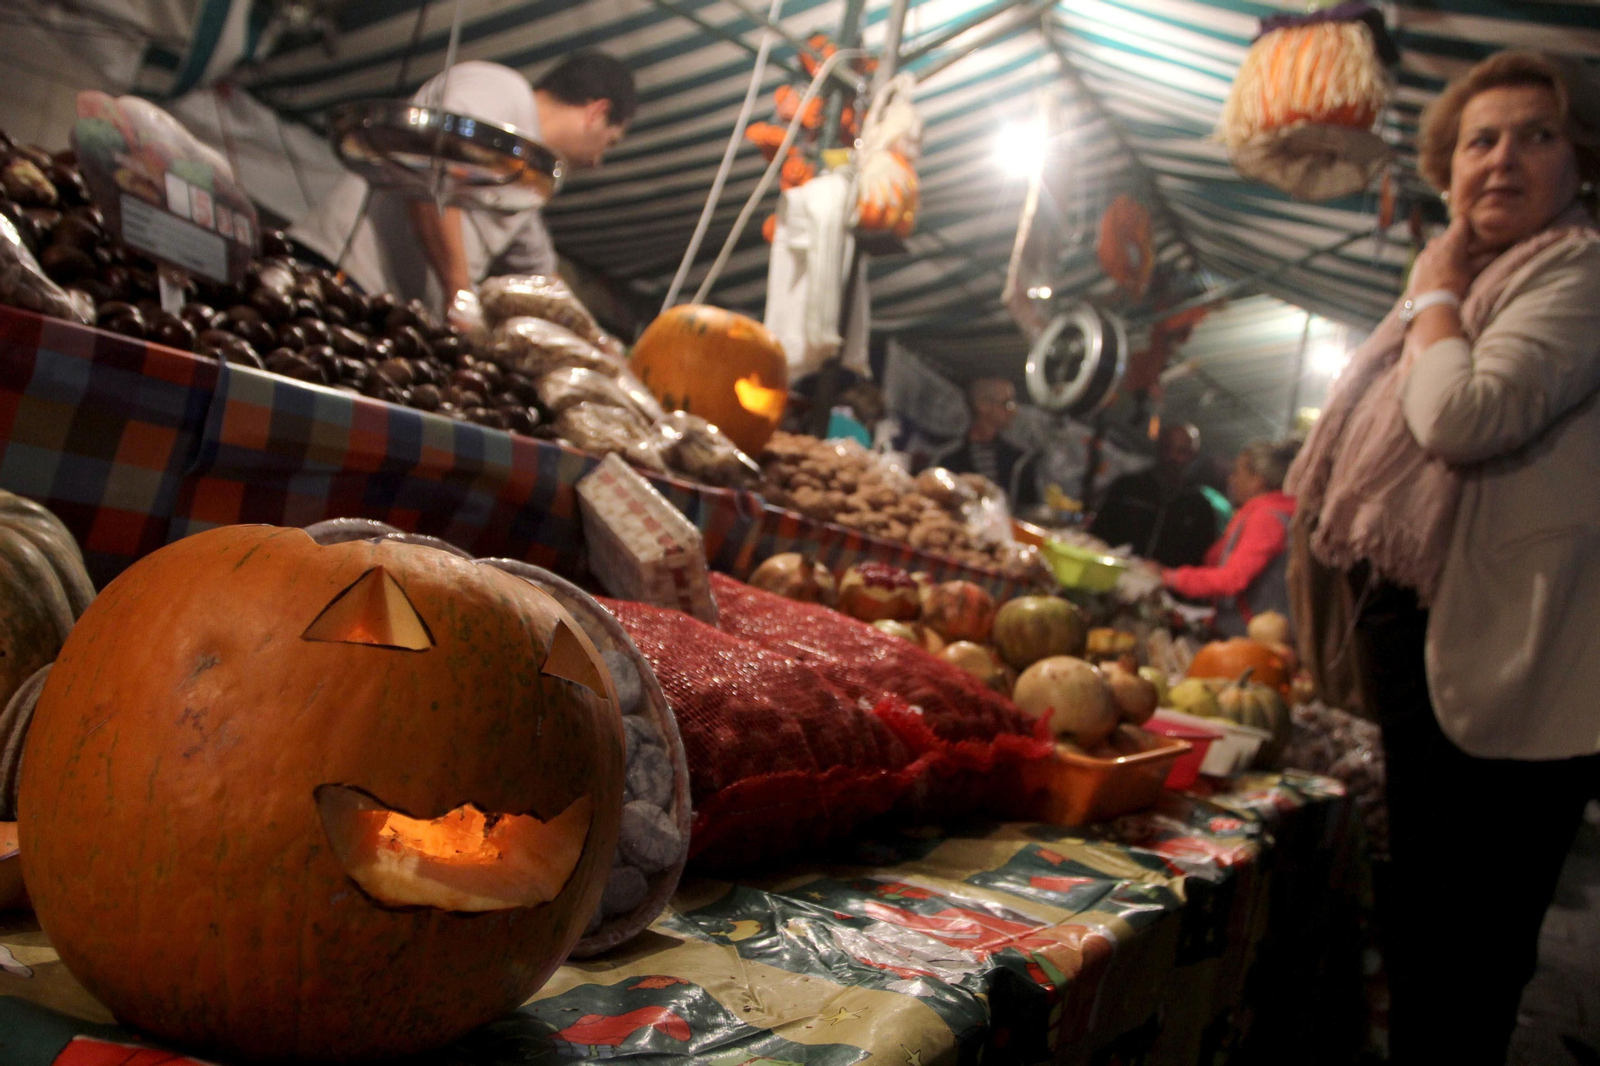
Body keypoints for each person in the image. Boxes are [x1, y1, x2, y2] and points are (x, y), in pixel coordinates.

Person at [1284, 50, 1600, 1066]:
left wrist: (1429, 296)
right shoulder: (1466, 284)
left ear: (1581, 158)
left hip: (1509, 660)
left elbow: (1463, 413)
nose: (1502, 158)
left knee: (1467, 944)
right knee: (1422, 929)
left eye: (1535, 134)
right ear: (1448, 167)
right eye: (1480, 140)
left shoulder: (1574, 269)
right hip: (1425, 641)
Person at [291, 53, 636, 322]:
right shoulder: (503, 91)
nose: (596, 162)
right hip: (336, 274)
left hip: (387, 308)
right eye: (610, 143)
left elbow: (542, 276)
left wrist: (603, 349)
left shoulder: (524, 181)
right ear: (596, 112)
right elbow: (434, 166)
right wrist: (459, 296)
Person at [1162, 439, 1299, 637]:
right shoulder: (1268, 513)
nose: (1230, 479)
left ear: (1257, 481)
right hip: (1249, 634)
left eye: (1237, 472)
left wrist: (1170, 578)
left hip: (1252, 640)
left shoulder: (1266, 518)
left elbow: (1233, 579)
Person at [1088, 422, 1216, 567]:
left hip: (1160, 587)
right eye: (1167, 448)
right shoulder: (1127, 486)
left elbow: (1199, 563)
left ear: (1193, 456)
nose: (1173, 457)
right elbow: (1097, 534)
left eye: (1182, 451)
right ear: (1159, 448)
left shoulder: (1200, 509)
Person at [926, 377, 1041, 509]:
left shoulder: (1021, 461)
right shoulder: (946, 460)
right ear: (982, 405)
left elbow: (1030, 510)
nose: (1013, 411)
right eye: (1007, 403)